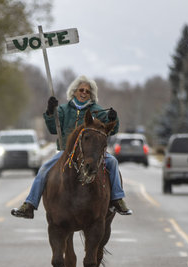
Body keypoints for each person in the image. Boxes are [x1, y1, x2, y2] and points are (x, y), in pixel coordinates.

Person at [11, 75, 132, 219]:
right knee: (43, 169)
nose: (84, 93)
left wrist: (113, 119)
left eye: (88, 91)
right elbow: (52, 129)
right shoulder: (62, 110)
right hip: (66, 152)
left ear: (91, 95)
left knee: (113, 162)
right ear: (74, 91)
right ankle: (29, 204)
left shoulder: (99, 111)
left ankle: (117, 199)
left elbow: (111, 129)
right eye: (81, 90)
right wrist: (50, 112)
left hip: (92, 153)